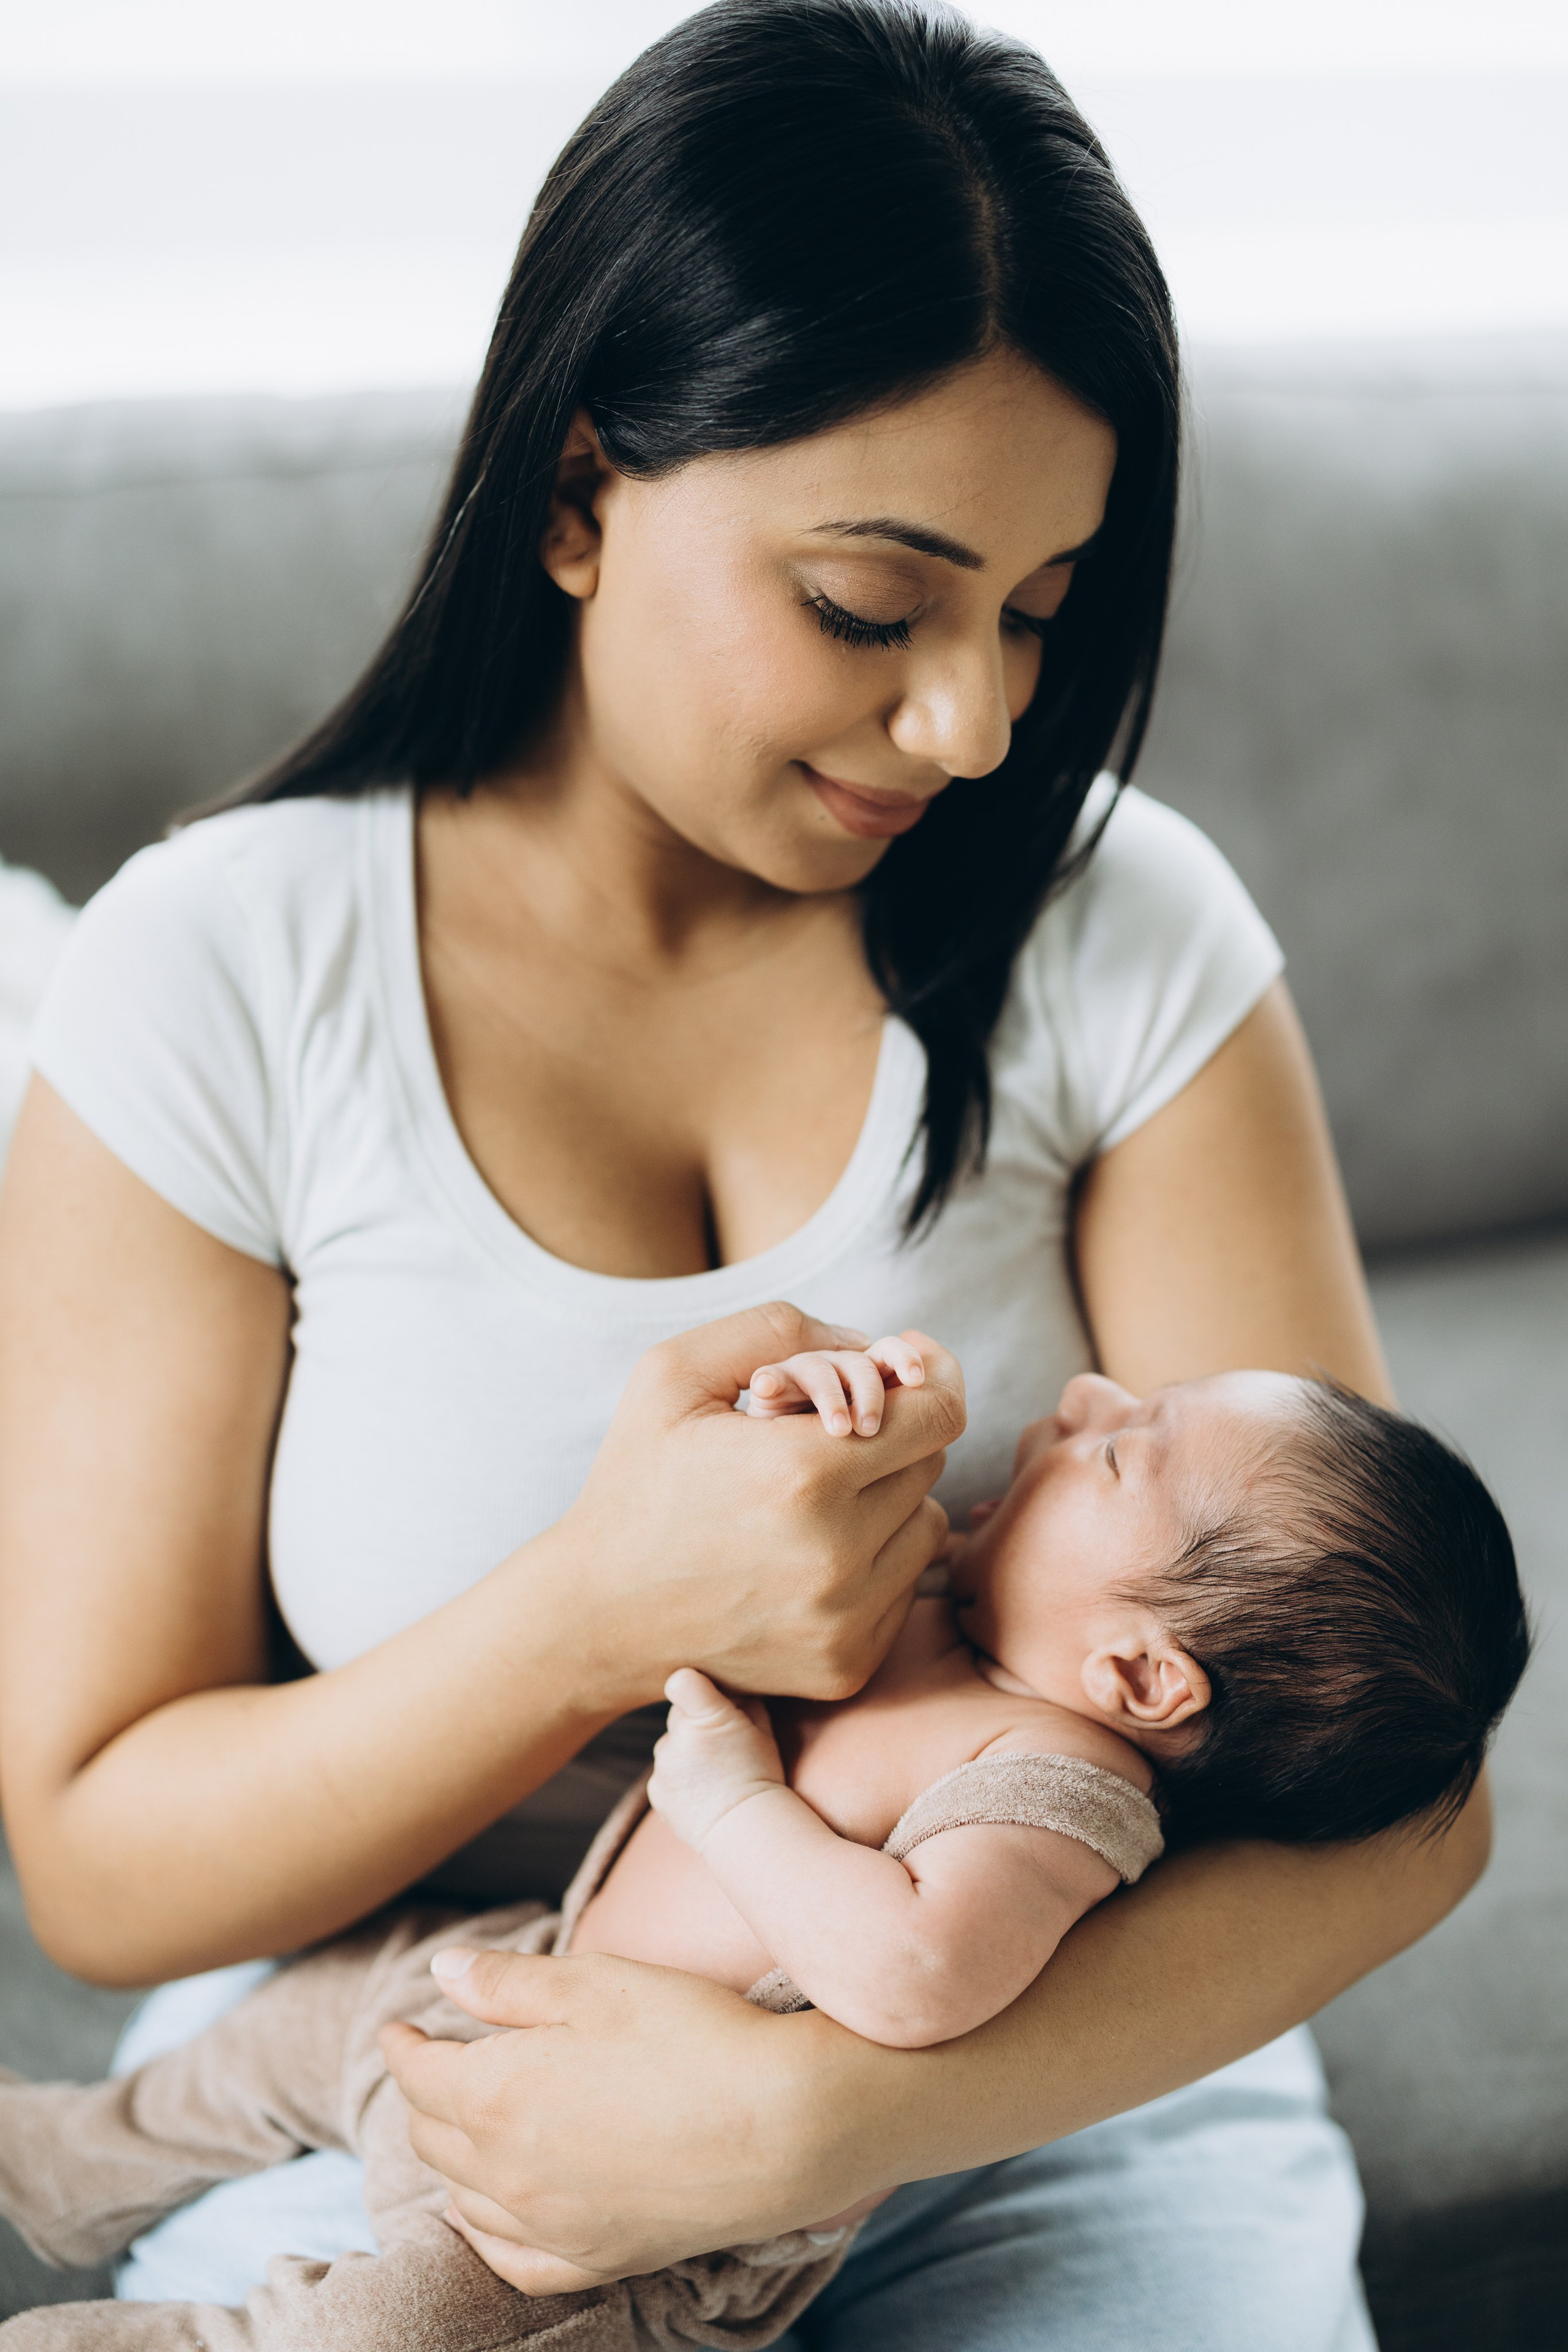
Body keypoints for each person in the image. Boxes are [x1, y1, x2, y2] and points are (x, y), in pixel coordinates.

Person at [0, 4, 1490, 2346]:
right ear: (583, 492)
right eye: (869, 608)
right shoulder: (223, 977)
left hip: (1055, 2077)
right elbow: (101, 1862)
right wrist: (603, 1608)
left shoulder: (1123, 933)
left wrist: (811, 2123)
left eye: (1039, 613)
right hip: (417, 2056)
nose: (975, 725)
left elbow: (1409, 1798)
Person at [0, 1347, 1526, 2350]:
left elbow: (917, 1975)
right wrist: (808, 1407)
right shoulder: (947, 1612)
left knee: (394, 2332)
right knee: (283, 2040)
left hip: (640, 2235)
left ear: (1137, 1678)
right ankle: (85, 2154)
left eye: (1121, 1454)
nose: (1078, 1397)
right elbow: (757, 1550)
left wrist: (739, 1804)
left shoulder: (1054, 1790)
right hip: (526, 1980)